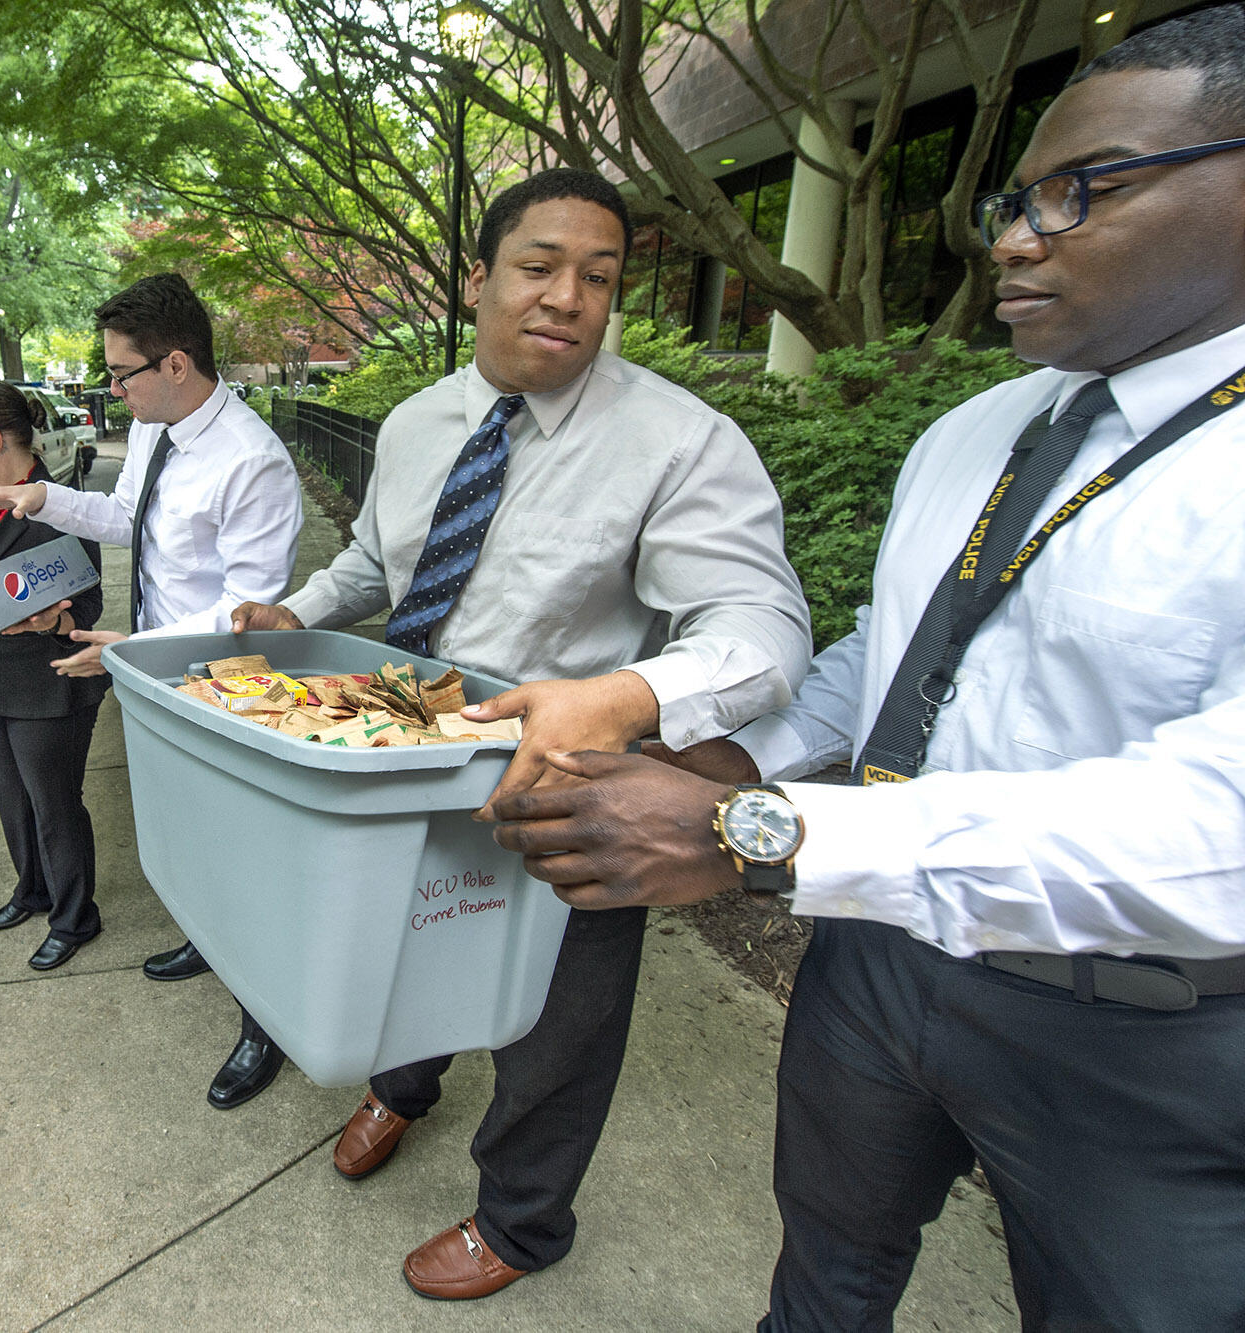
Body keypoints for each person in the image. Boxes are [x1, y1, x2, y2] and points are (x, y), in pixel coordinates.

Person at [484, 13, 1245, 1329]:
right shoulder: (979, 427)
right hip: (876, 964)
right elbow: (888, 664)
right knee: (826, 1276)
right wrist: (715, 763)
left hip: (1142, 1036)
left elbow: (1218, 823)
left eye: (1084, 190)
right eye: (1013, 197)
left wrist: (756, 831)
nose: (1012, 236)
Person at [228, 167, 812, 1299]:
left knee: (558, 1019)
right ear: (478, 279)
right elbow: (379, 559)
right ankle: (401, 1086)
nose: (566, 297)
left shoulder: (678, 441)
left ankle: (522, 1215)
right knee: (402, 943)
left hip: (563, 778)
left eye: (597, 278)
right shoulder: (412, 421)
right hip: (397, 752)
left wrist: (628, 698)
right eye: (539, 266)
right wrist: (296, 611)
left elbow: (763, 627)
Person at [0, 273, 304, 1108]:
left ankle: (266, 1022)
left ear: (177, 362)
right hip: (155, 665)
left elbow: (247, 614)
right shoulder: (157, 426)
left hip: (219, 683)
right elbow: (123, 518)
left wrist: (134, 649)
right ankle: (206, 937)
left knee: (239, 856)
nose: (113, 389)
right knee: (186, 835)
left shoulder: (252, 461)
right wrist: (39, 496)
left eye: (123, 374)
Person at [0, 381, 111, 970]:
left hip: (48, 681)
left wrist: (54, 618)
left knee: (54, 803)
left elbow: (87, 607)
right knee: (10, 799)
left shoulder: (55, 506)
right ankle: (32, 890)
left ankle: (74, 916)